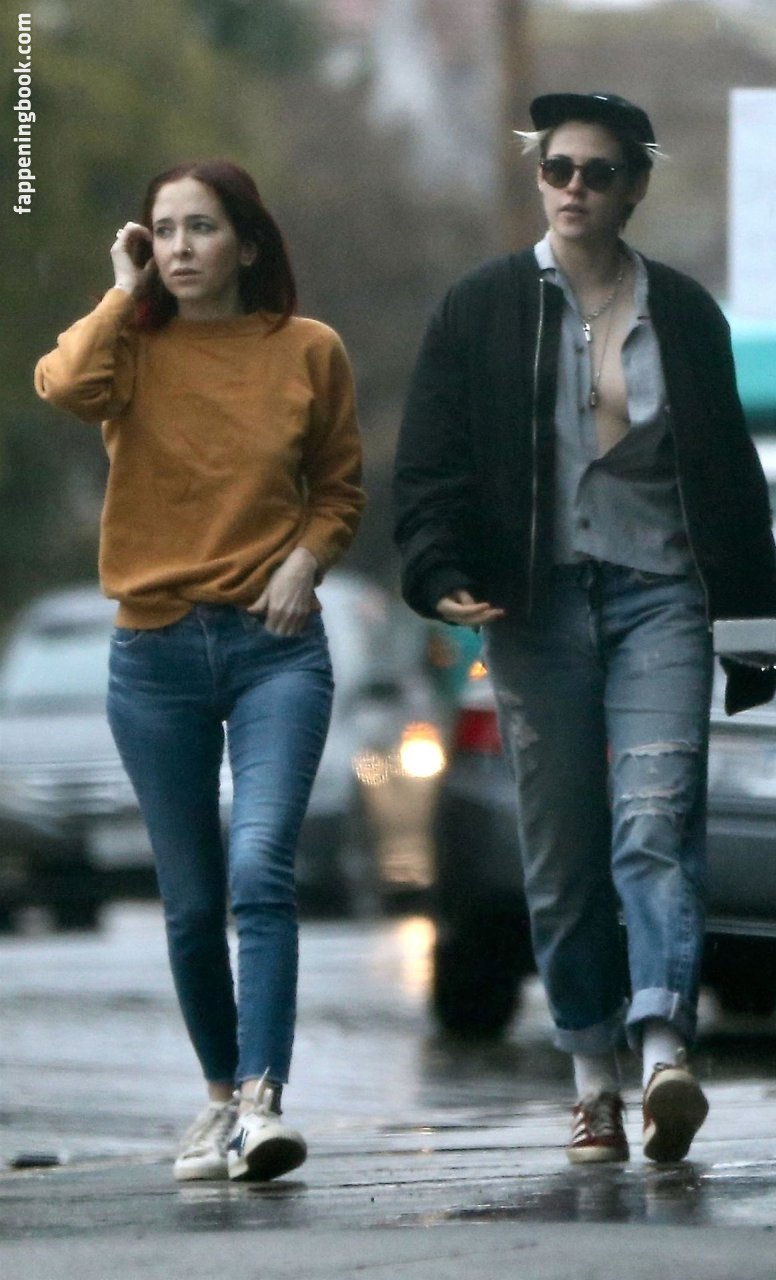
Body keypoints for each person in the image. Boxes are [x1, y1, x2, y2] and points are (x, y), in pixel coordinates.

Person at [394, 93, 776, 1164]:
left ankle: (661, 1052)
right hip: (534, 604)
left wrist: (750, 617)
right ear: (539, 178)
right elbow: (429, 464)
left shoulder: (684, 313)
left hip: (661, 595)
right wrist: (437, 569)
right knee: (562, 852)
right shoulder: (480, 306)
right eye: (556, 168)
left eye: (597, 172)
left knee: (654, 820)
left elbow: (730, 473)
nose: (573, 188)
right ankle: (591, 1080)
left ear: (634, 187)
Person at [35, 160, 365, 1182]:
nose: (180, 246)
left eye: (201, 228)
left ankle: (262, 1103)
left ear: (247, 245)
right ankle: (218, 1098)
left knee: (260, 868)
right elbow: (62, 386)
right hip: (154, 656)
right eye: (164, 229)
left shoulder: (308, 350)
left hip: (275, 649)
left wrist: (306, 562)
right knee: (188, 901)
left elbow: (339, 489)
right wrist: (120, 290)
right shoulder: (129, 348)